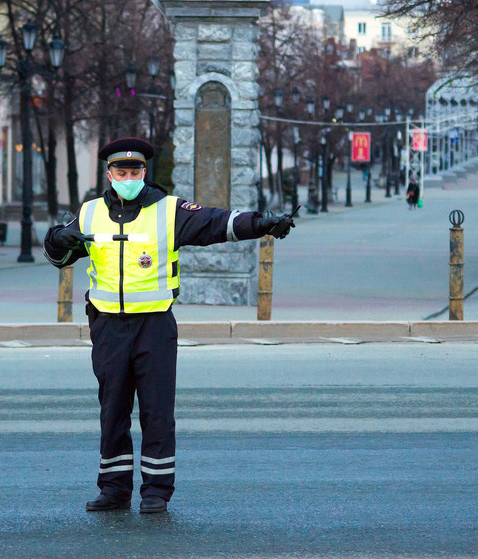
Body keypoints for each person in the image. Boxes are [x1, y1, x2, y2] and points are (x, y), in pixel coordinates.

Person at [43, 138, 296, 514]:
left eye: (135, 171)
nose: (128, 178)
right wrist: (58, 238)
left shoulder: (167, 210)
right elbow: (58, 256)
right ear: (109, 174)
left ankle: (156, 491)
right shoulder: (90, 212)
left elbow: (215, 222)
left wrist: (262, 223)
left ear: (145, 173)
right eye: (121, 172)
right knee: (112, 410)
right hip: (107, 326)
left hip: (155, 325)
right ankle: (113, 489)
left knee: (157, 410)